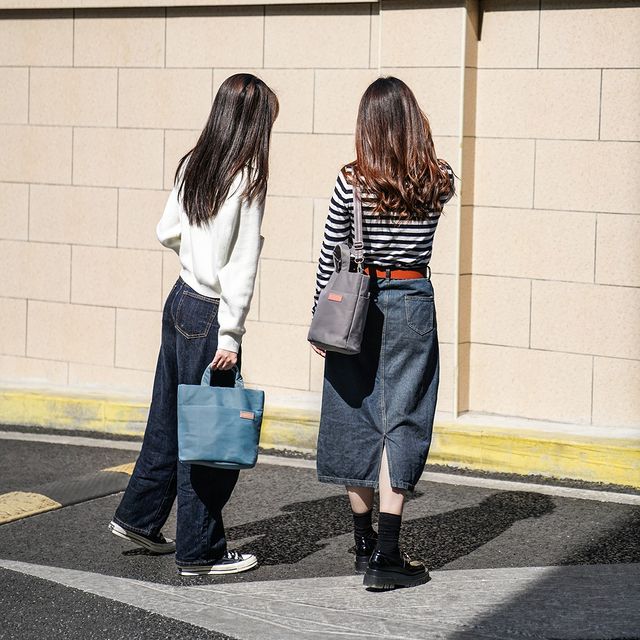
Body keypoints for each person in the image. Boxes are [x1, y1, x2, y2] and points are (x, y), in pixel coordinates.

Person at [109, 74, 278, 576]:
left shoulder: (195, 163)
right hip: (211, 316)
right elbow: (241, 265)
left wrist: (196, 256)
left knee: (167, 418)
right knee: (208, 437)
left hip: (180, 299)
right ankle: (201, 551)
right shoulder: (247, 177)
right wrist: (231, 334)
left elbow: (166, 231)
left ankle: (139, 517)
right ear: (253, 123)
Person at [312, 77, 455, 590]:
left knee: (354, 414)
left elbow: (332, 253)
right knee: (403, 419)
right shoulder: (437, 178)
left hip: (355, 305)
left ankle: (363, 545)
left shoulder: (350, 182)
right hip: (413, 300)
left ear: (366, 125)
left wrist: (321, 317)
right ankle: (388, 555)